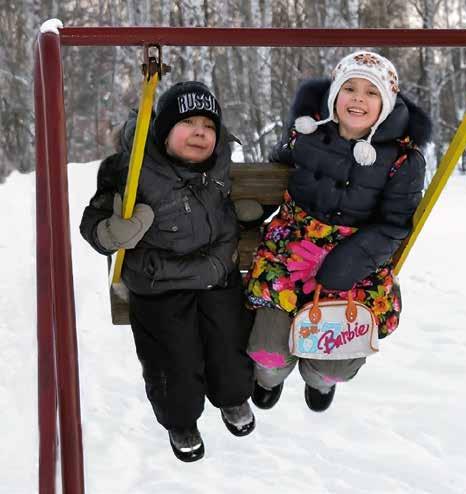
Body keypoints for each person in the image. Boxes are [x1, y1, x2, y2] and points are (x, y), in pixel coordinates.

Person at [245, 50, 432, 413]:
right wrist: (255, 206)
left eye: (371, 92)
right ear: (334, 95)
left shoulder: (402, 160)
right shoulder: (307, 134)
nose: (359, 98)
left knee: (336, 356)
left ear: (387, 103)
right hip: (291, 252)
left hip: (353, 260)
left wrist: (345, 264)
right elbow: (279, 169)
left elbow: (394, 224)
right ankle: (268, 376)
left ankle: (320, 379)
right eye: (350, 88)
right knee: (269, 346)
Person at [80, 81, 256, 463]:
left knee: (229, 342)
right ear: (162, 131)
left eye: (208, 126)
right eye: (188, 122)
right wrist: (110, 232)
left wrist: (253, 214)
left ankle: (232, 397)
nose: (200, 132)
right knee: (172, 358)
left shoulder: (221, 163)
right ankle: (181, 419)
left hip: (215, 273)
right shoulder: (131, 170)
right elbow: (92, 221)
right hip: (160, 283)